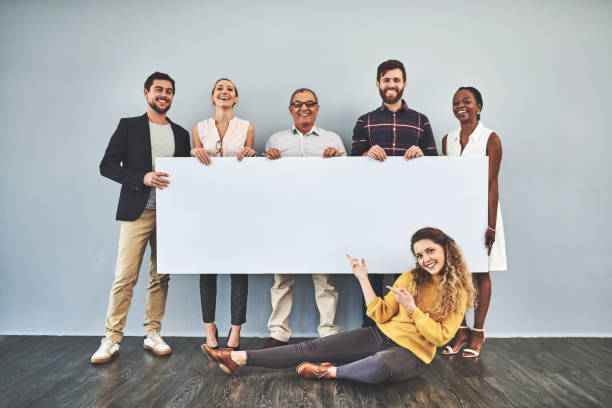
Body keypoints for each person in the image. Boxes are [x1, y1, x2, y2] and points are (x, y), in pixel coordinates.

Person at [203, 227, 476, 384]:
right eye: (420, 254)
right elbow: (380, 313)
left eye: (430, 251)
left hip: (413, 353)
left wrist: (414, 310)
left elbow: (439, 337)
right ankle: (237, 358)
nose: (426, 258)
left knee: (379, 366)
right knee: (311, 347)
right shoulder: (411, 278)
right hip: (380, 334)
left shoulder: (458, 293)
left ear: (445, 250)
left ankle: (329, 372)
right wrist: (363, 279)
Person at [92, 72, 191, 364]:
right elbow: (107, 166)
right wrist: (142, 177)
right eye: (158, 89)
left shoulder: (181, 133)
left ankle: (153, 332)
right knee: (125, 277)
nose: (164, 95)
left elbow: (186, 176)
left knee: (161, 275)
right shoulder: (129, 126)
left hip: (170, 215)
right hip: (138, 211)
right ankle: (111, 338)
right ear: (146, 93)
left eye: (169, 91)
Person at [351, 59, 439, 327]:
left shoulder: (421, 121)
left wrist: (422, 155)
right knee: (373, 268)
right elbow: (349, 167)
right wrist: (366, 154)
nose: (391, 85)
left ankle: (405, 330)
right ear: (378, 84)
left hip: (411, 208)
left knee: (410, 271)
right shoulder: (364, 121)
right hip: (372, 208)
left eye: (396, 80)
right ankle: (369, 331)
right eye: (386, 80)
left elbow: (437, 165)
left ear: (404, 84)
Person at [259, 88, 346, 349]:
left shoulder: (333, 140)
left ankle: (328, 335)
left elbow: (345, 181)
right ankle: (278, 334)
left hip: (321, 218)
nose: (304, 108)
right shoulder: (275, 140)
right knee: (282, 279)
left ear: (317, 108)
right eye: (298, 104)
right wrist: (270, 159)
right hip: (284, 218)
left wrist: (336, 160)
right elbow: (266, 181)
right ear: (290, 109)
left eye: (309, 104)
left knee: (325, 280)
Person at [190, 78, 256, 353]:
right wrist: (193, 152)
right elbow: (193, 167)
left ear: (236, 98)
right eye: (220, 89)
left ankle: (236, 329)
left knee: (238, 267)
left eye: (230, 89)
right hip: (206, 206)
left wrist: (251, 155)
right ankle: (209, 327)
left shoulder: (246, 127)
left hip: (238, 205)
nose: (225, 92)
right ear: (212, 97)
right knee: (207, 267)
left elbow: (249, 163)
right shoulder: (199, 128)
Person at [440, 86, 507, 358]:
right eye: (456, 102)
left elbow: (492, 183)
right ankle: (461, 330)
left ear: (479, 106)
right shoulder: (448, 138)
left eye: (466, 101)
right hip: (454, 214)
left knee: (481, 273)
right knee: (454, 274)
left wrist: (490, 225)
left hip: (481, 214)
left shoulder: (490, 138)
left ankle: (478, 333)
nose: (460, 105)